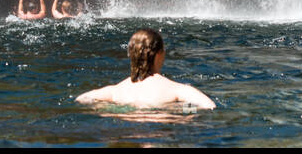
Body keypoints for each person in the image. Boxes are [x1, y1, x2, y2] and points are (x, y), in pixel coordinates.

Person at [75, 28, 215, 110]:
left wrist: (108, 108)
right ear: (160, 54)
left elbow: (81, 99)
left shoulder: (115, 91)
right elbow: (209, 107)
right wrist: (178, 109)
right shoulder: (177, 90)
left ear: (131, 54)